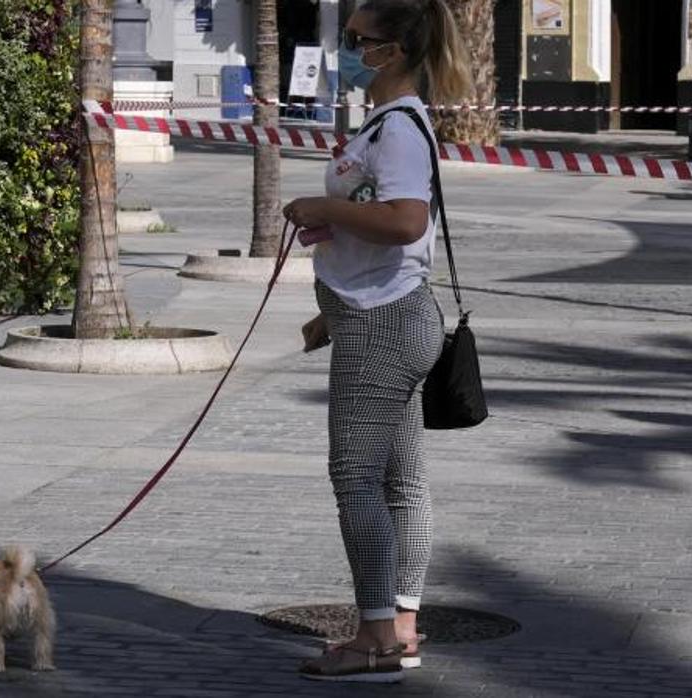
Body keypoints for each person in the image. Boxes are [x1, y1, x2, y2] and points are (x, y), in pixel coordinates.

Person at [282, 0, 472, 683]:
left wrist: (324, 208)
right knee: (399, 482)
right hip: (381, 315)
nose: (348, 47)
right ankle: (401, 627)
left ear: (390, 50)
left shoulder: (397, 127)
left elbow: (404, 223)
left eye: (357, 38)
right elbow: (387, 239)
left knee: (355, 478)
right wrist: (328, 313)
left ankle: (373, 639)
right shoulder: (392, 122)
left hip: (383, 325)